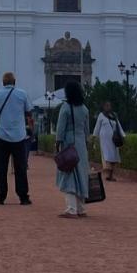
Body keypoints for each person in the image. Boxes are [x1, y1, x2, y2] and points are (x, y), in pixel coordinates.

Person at [0, 72, 33, 205]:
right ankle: (23, 196)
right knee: (20, 168)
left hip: (1, 136)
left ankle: (0, 196)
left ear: (3, 83)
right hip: (19, 135)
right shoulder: (22, 94)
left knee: (1, 168)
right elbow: (29, 111)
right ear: (14, 82)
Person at [55, 80, 90, 219]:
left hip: (69, 144)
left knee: (69, 175)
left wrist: (58, 142)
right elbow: (87, 130)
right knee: (81, 175)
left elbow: (60, 127)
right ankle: (81, 208)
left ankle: (71, 209)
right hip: (81, 144)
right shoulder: (84, 108)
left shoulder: (65, 107)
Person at [93, 101, 124, 181]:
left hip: (114, 139)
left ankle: (111, 175)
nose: (108, 107)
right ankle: (108, 174)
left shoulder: (114, 115)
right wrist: (94, 136)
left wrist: (123, 135)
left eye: (109, 105)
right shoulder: (101, 115)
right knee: (107, 157)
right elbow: (97, 127)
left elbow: (119, 126)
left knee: (113, 157)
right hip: (104, 140)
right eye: (106, 105)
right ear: (103, 107)